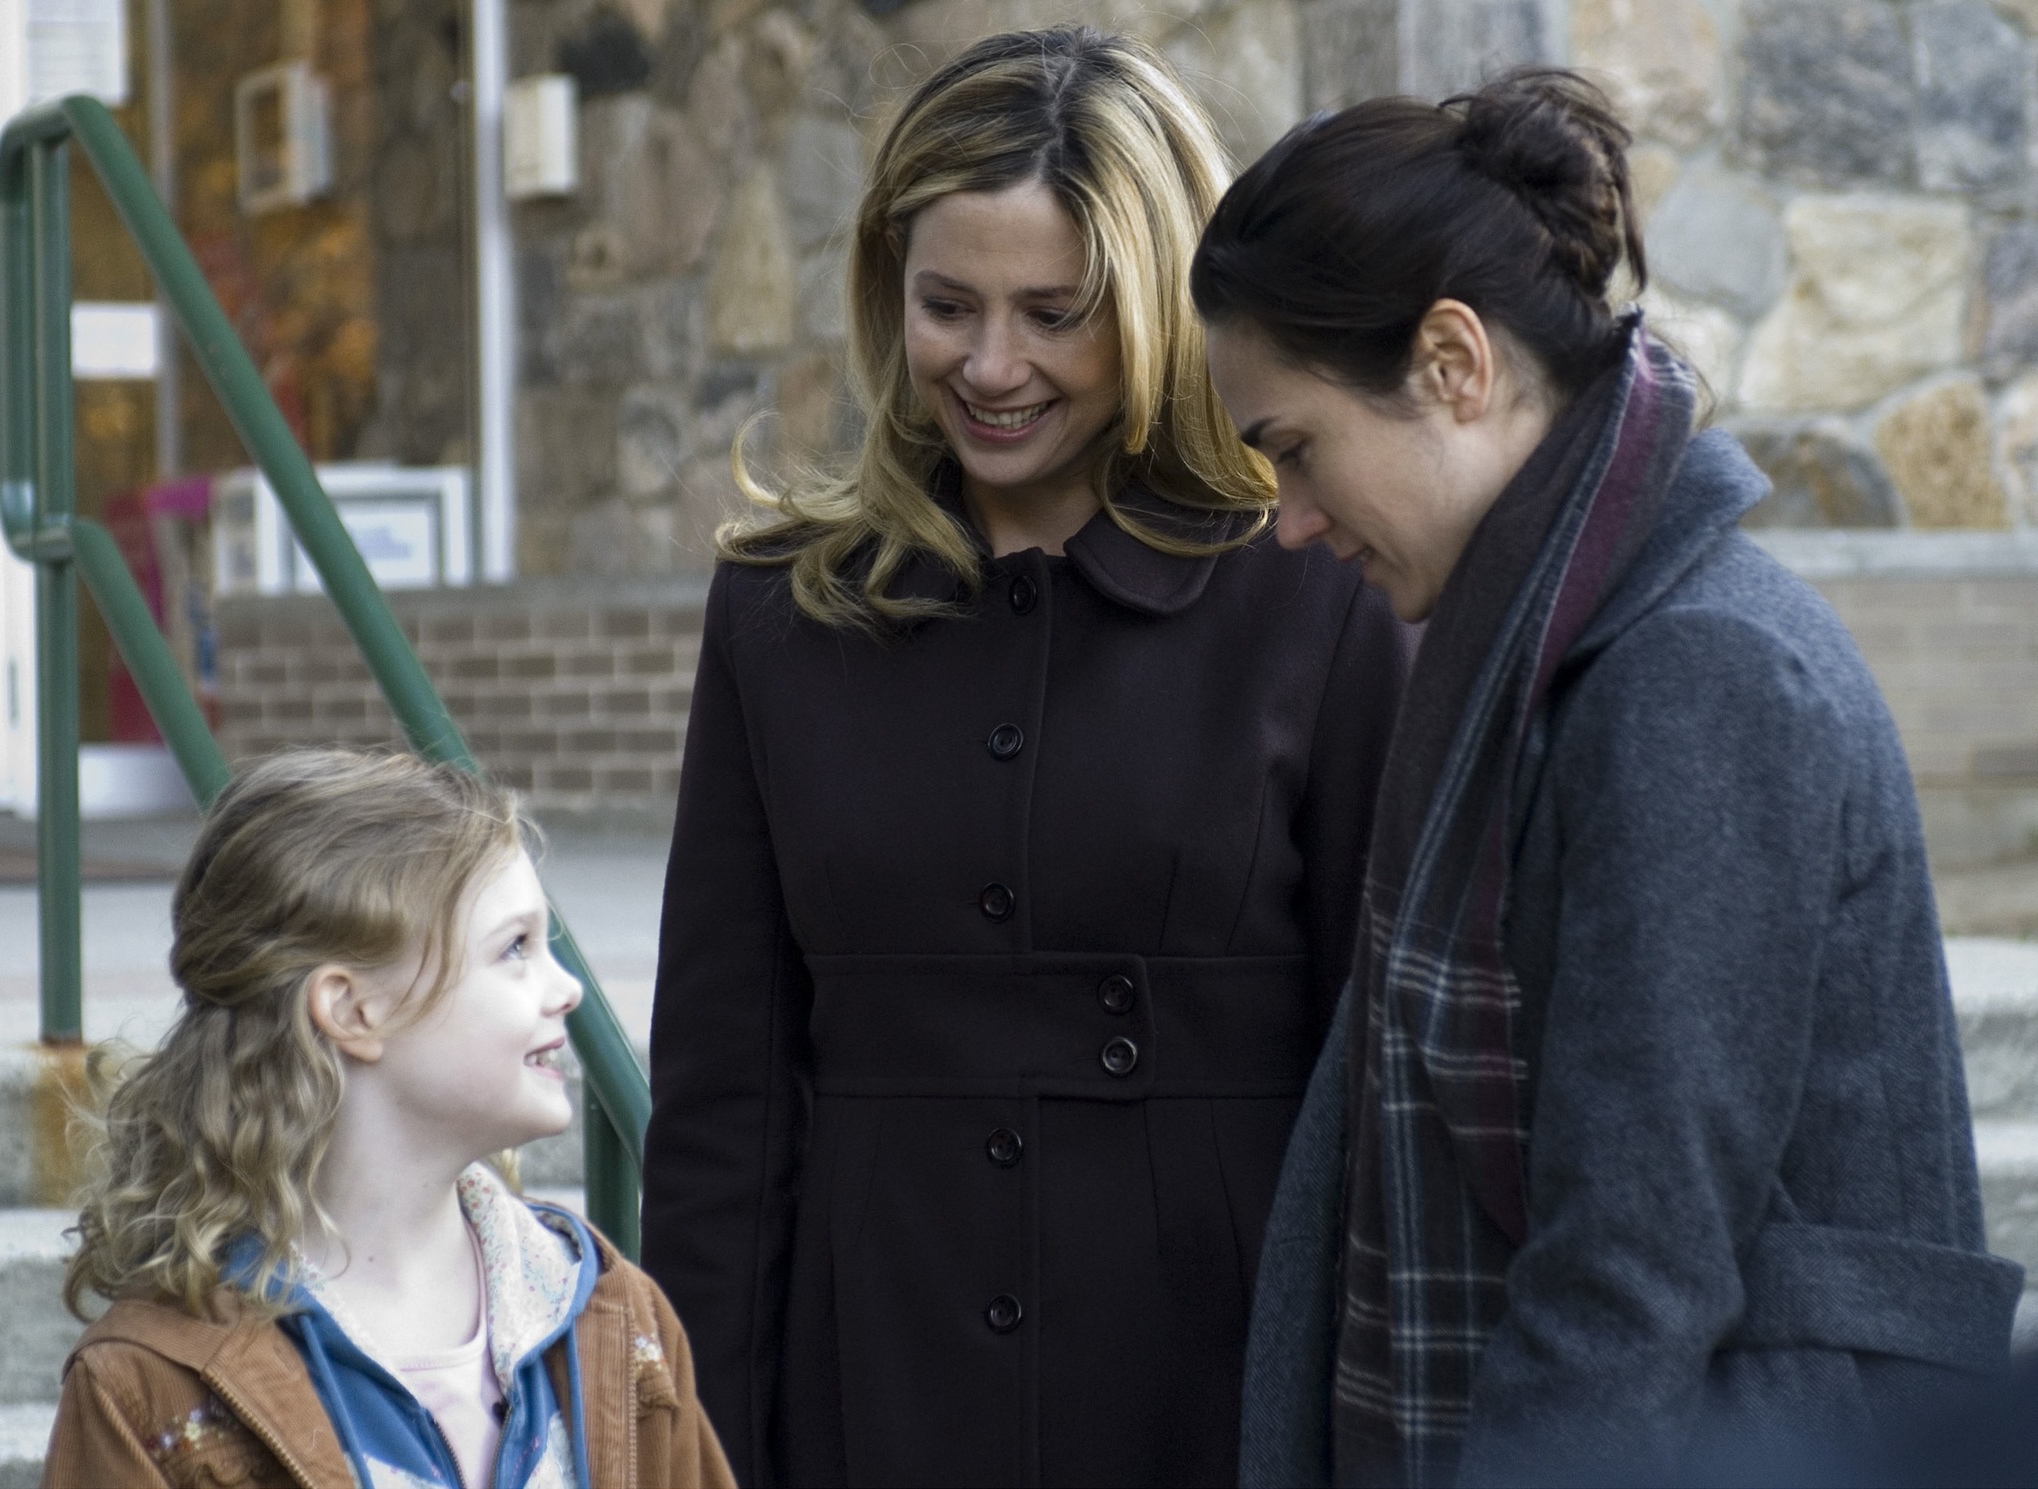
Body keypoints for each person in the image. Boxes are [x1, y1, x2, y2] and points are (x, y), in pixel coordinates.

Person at [1190, 68, 2024, 1488]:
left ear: (1452, 362)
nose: (1292, 522)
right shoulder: (1554, 645)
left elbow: (1628, 1273)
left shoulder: (1692, 675)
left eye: (1297, 449)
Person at [643, 25, 1410, 1488]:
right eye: (948, 306)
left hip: (1219, 1380)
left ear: (1164, 309)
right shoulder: (782, 609)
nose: (992, 368)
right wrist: (703, 1448)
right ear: (888, 294)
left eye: (1057, 313)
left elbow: (1376, 1075)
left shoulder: (1318, 585)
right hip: (873, 1372)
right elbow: (720, 1106)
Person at [43, 750, 733, 1489]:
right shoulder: (147, 1387)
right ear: (351, 1008)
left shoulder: (615, 1317)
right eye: (514, 948)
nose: (565, 988)